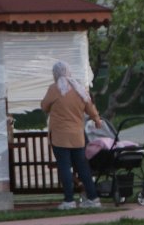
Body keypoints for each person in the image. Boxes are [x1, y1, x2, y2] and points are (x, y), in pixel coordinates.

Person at [40, 61, 103, 210]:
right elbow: (90, 107)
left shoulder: (54, 89)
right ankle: (93, 199)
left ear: (55, 74)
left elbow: (44, 106)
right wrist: (96, 119)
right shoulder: (79, 88)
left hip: (60, 136)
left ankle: (69, 201)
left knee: (65, 168)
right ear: (69, 72)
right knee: (83, 168)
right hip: (77, 136)